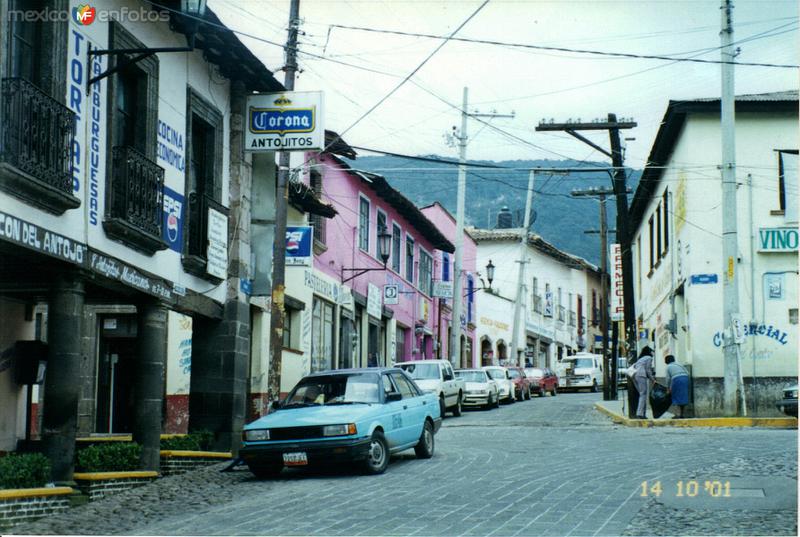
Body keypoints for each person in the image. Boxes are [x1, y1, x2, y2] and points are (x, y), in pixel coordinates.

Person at [632, 346, 656, 419]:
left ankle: (643, 413)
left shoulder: (640, 359)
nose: (653, 353)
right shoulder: (649, 358)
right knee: (643, 395)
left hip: (634, 376)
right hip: (641, 375)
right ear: (649, 352)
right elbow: (648, 370)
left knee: (642, 395)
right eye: (652, 351)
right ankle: (640, 413)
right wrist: (653, 379)